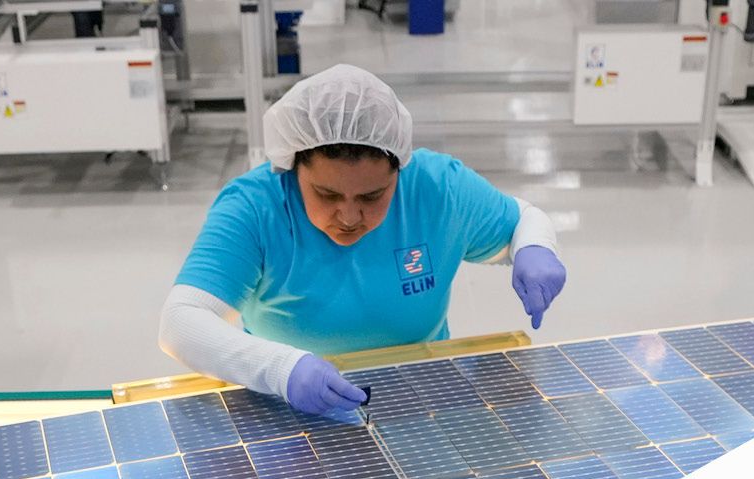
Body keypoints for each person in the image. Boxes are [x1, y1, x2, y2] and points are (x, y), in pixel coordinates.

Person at [158, 64, 568, 422]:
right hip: (289, 409)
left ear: (400, 170)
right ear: (292, 165)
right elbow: (181, 322)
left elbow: (524, 219)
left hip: (422, 399)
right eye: (327, 195)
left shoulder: (438, 189)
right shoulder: (255, 206)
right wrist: (282, 369)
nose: (350, 217)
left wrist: (534, 247)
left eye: (372, 197)